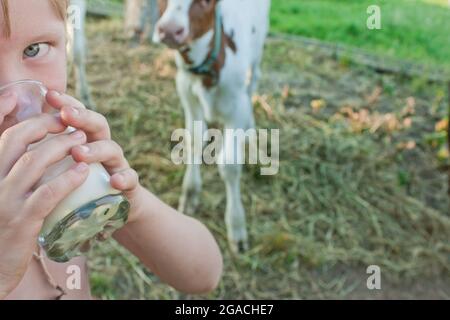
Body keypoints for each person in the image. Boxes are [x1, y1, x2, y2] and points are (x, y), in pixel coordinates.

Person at [0, 0, 223, 300]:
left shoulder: (67, 169)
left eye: (35, 49)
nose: (17, 102)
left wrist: (135, 204)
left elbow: (203, 274)